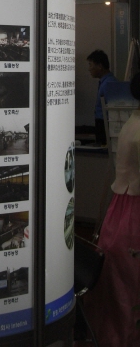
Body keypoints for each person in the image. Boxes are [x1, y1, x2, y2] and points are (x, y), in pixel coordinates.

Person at [84, 73, 140, 345]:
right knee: (130, 285)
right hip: (134, 214)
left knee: (122, 283)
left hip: (123, 210)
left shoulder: (132, 121)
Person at [87, 49, 117, 144]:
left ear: (100, 66)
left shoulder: (109, 84)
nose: (89, 69)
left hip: (106, 125)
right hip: (102, 123)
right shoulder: (105, 82)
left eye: (90, 65)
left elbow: (112, 111)